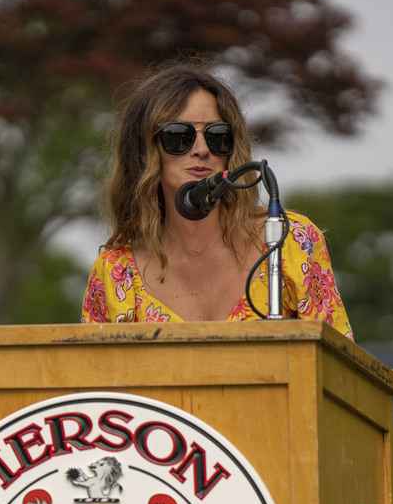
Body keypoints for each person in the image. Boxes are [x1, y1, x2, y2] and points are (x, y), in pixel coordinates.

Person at [81, 63, 353, 338]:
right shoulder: (116, 271)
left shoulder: (288, 240)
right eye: (178, 136)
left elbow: (339, 367)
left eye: (217, 136)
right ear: (144, 151)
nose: (201, 150)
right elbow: (93, 378)